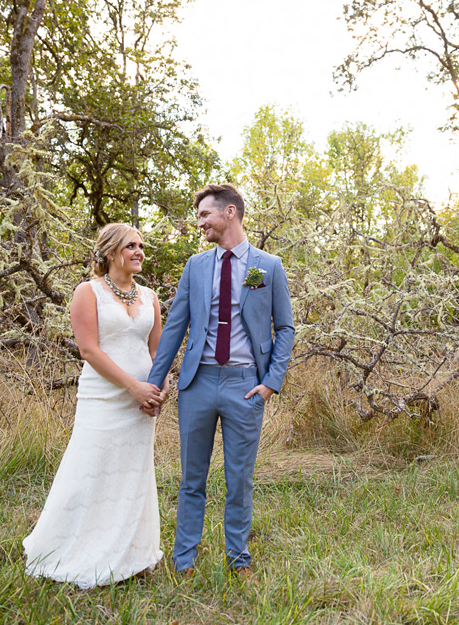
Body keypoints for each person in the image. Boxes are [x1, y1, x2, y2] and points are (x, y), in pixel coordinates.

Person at [145, 183, 294, 579]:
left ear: (230, 213)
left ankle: (238, 559)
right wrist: (155, 383)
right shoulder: (195, 265)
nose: (200, 224)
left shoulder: (267, 266)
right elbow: (175, 327)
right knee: (192, 479)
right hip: (198, 384)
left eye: (205, 215)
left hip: (246, 386)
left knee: (238, 480)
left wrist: (270, 382)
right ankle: (184, 561)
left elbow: (286, 328)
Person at [24, 223, 169, 589]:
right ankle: (71, 546)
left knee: (133, 471)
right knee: (92, 465)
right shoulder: (87, 292)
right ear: (109, 252)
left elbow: (157, 350)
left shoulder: (149, 296)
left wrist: (161, 385)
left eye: (141, 246)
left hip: (143, 401)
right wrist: (133, 387)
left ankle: (131, 552)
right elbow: (89, 349)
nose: (139, 252)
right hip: (104, 396)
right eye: (130, 246)